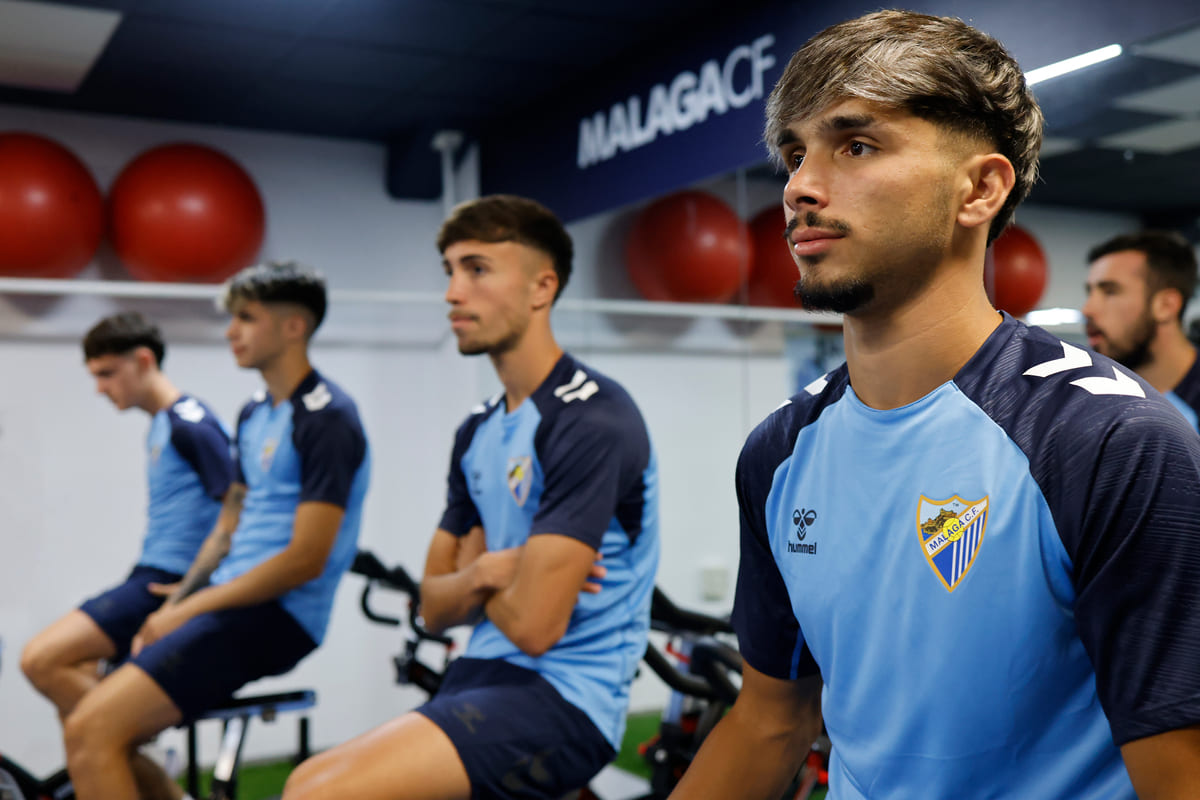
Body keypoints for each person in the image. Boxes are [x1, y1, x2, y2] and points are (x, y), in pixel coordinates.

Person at [669, 10, 1200, 800]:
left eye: (855, 145)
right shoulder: (778, 452)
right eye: (794, 153)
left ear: (980, 188)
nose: (800, 188)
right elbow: (769, 722)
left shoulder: (1110, 438)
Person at [282, 195, 660, 800]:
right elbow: (432, 609)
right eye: (450, 272)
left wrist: (472, 581)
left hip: (564, 700)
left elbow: (537, 627)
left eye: (477, 269)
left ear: (542, 288)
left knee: (318, 794)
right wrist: (490, 569)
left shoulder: (592, 418)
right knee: (306, 780)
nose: (453, 293)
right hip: (477, 674)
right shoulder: (477, 430)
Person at [61, 262, 371, 800]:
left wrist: (187, 610)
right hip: (229, 602)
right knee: (96, 726)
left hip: (280, 616)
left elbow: (305, 561)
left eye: (245, 318)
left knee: (91, 729)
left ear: (293, 326)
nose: (231, 331)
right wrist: (174, 602)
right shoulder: (254, 413)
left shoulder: (328, 418)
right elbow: (229, 524)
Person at [20, 311, 233, 800]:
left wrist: (190, 593)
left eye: (106, 373)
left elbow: (238, 513)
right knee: (78, 714)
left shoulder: (189, 423)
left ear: (143, 360)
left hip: (166, 582)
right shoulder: (161, 426)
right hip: (149, 572)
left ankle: (116, 724)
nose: (100, 388)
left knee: (43, 661)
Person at [1083, 229, 1200, 428]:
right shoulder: (1092, 401)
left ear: (1166, 306)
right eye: (1090, 292)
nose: (1087, 309)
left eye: (1110, 291)